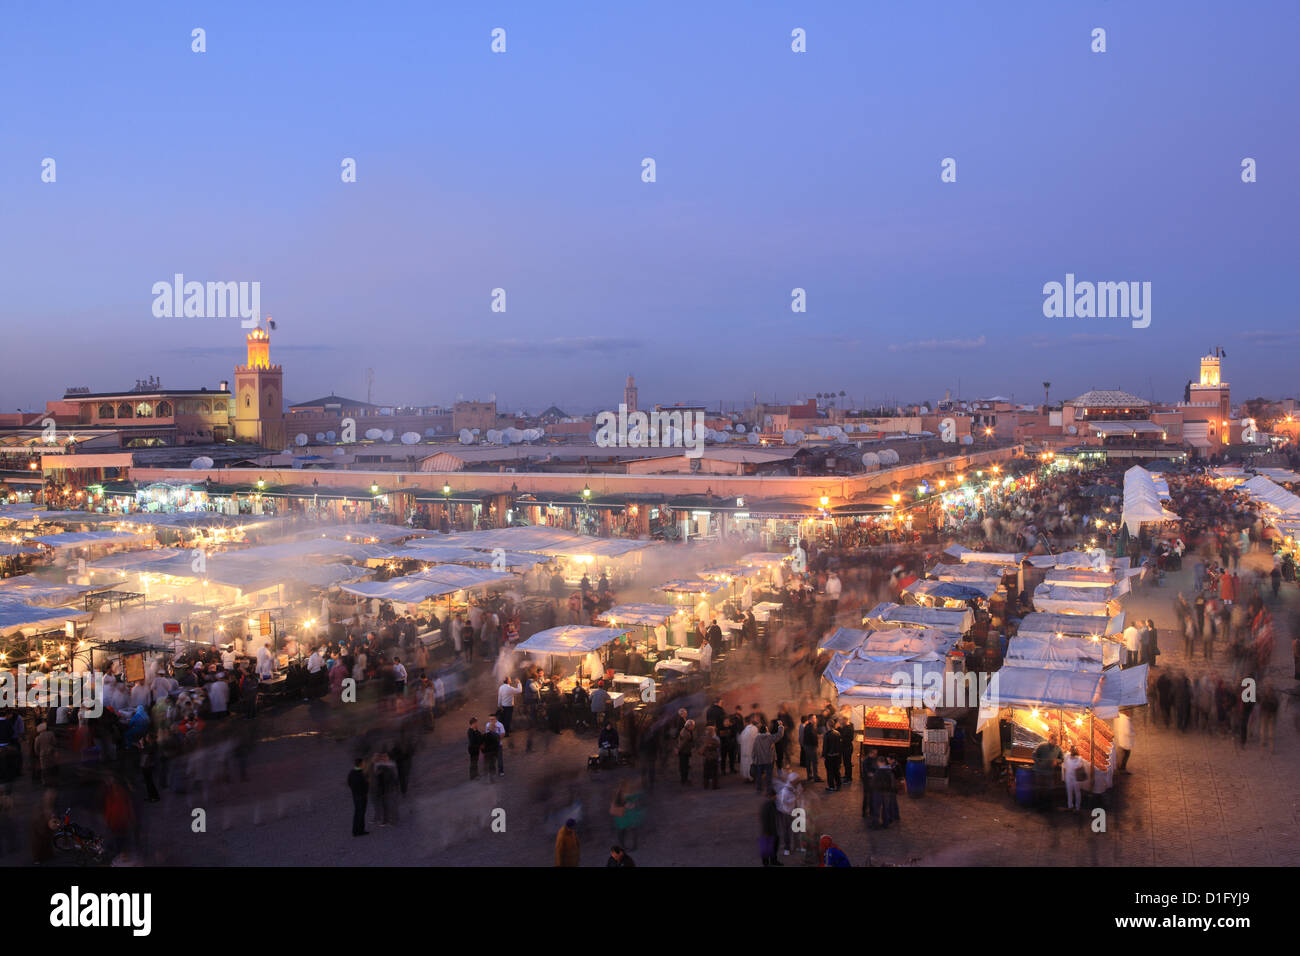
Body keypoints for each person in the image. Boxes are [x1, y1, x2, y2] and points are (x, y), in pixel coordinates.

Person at [1032, 733, 1063, 808]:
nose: (1056, 742)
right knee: (1039, 789)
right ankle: (1038, 806)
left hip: (1049, 772)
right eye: (1055, 740)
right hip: (1039, 771)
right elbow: (1034, 755)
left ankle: (1047, 807)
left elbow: (1062, 758)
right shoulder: (1042, 746)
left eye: (1057, 740)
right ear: (1050, 739)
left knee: (1049, 789)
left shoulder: (1058, 749)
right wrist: (1039, 762)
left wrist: (1057, 761)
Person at [759, 790, 782, 866]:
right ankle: (767, 863)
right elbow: (764, 819)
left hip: (773, 830)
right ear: (772, 796)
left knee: (773, 847)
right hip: (769, 831)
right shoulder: (767, 805)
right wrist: (766, 832)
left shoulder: (770, 804)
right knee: (768, 847)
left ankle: (773, 861)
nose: (776, 797)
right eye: (775, 796)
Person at [347, 757, 369, 836]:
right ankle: (360, 831)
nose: (364, 764)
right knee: (361, 813)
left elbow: (349, 782)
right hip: (361, 796)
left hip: (355, 795)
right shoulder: (361, 774)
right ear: (360, 764)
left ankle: (355, 830)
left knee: (357, 812)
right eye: (363, 763)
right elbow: (365, 784)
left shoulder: (351, 772)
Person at [1062, 746, 1087, 812]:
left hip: (1076, 778)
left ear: (1077, 751)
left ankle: (1077, 807)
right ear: (1070, 750)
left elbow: (1079, 766)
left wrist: (1076, 758)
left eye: (1075, 749)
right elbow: (1064, 766)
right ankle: (1070, 806)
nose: (1073, 750)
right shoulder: (1067, 756)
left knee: (1077, 792)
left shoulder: (1079, 759)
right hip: (1068, 777)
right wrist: (1064, 777)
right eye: (1072, 749)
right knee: (1069, 792)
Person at [821, 719, 842, 793]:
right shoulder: (838, 733)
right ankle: (839, 784)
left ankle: (831, 786)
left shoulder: (827, 735)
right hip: (837, 755)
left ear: (828, 725)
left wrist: (823, 755)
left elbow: (825, 747)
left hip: (829, 756)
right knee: (836, 770)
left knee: (830, 772)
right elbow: (840, 746)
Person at [700, 725, 721, 790]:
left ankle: (705, 785)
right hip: (713, 757)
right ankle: (714, 786)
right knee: (714, 773)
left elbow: (701, 749)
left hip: (706, 757)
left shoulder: (703, 739)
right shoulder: (715, 739)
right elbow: (718, 746)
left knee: (706, 772)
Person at [677, 719, 696, 785]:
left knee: (684, 766)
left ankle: (684, 779)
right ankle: (684, 780)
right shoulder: (686, 733)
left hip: (685, 751)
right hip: (684, 752)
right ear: (689, 726)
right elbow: (682, 743)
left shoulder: (685, 731)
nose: (693, 727)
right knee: (684, 766)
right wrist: (678, 750)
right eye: (693, 726)